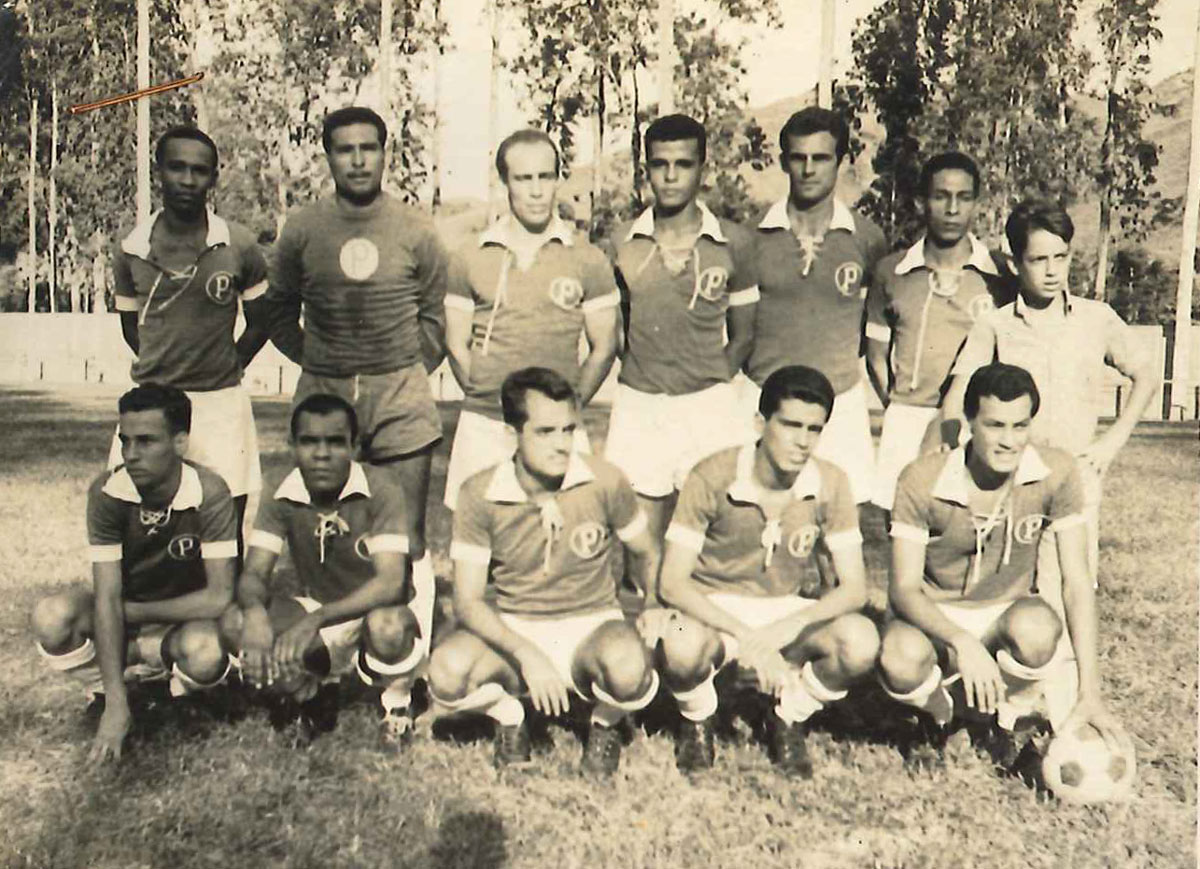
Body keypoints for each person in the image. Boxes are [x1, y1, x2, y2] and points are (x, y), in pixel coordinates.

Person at [879, 363, 1130, 770]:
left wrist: (1091, 692)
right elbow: (903, 589)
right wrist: (961, 641)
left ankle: (1006, 718)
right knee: (899, 657)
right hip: (936, 614)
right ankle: (940, 718)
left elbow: (1077, 583)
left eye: (1020, 426)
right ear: (969, 424)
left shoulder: (1057, 472)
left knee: (1039, 628)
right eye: (995, 426)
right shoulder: (920, 478)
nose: (1009, 441)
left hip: (1004, 612)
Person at [649, 365, 879, 778]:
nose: (802, 441)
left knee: (860, 640)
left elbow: (855, 588)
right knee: (679, 643)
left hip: (780, 608)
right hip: (713, 610)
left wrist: (788, 626)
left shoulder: (831, 481)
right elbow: (672, 581)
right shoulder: (713, 474)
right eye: (790, 425)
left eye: (814, 428)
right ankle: (698, 717)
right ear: (760, 422)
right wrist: (747, 636)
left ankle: (788, 715)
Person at [427, 368, 660, 775]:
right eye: (545, 432)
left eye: (569, 430)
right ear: (510, 435)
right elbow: (466, 600)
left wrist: (654, 604)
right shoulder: (479, 491)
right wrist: (527, 653)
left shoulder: (603, 479)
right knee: (445, 673)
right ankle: (509, 715)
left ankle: (605, 723)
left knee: (631, 668)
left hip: (591, 624)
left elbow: (648, 551)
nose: (562, 445)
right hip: (516, 627)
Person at [264, 106, 448, 575]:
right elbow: (278, 309)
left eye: (369, 148)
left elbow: (436, 314)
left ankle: (407, 645)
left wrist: (403, 365)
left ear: (385, 155)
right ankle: (330, 637)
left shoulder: (416, 227)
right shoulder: (303, 229)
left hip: (400, 395)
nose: (359, 160)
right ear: (328, 157)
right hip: (325, 391)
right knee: (324, 532)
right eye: (345, 150)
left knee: (405, 534)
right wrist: (322, 359)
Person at [936, 199, 1158, 582]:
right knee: (1005, 592)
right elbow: (957, 395)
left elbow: (1148, 374)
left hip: (1075, 476)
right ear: (1015, 263)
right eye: (1039, 260)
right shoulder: (995, 325)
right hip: (1009, 478)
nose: (1053, 271)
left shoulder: (1096, 319)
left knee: (1071, 587)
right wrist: (957, 449)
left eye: (1061, 257)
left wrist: (1111, 443)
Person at [32, 384, 238, 764]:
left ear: (179, 442)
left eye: (146, 441)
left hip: (182, 624)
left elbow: (219, 596)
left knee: (208, 652)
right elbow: (106, 594)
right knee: (52, 617)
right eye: (125, 440)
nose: (131, 454)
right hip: (125, 622)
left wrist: (126, 613)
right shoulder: (108, 492)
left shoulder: (210, 492)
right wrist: (115, 706)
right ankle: (112, 694)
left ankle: (181, 693)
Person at [222, 393, 434, 746]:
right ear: (293, 445)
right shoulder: (281, 488)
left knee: (388, 626)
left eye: (335, 442)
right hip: (324, 608)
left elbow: (391, 584)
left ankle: (398, 703)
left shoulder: (381, 486)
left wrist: (315, 619)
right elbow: (256, 572)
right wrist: (256, 613)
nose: (321, 454)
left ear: (354, 446)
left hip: (377, 611)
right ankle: (309, 696)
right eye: (309, 441)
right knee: (236, 622)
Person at [442, 129, 621, 510]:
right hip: (485, 426)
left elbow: (605, 345)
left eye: (546, 177)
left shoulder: (587, 258)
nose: (537, 190)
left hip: (557, 430)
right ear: (504, 182)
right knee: (482, 544)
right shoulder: (469, 256)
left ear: (558, 178)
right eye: (524, 179)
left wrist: (565, 410)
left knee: (561, 542)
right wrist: (487, 397)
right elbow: (456, 344)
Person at [110, 126, 269, 545]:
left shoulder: (238, 243)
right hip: (152, 401)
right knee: (141, 525)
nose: (187, 179)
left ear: (214, 177)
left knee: (222, 526)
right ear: (158, 170)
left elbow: (261, 320)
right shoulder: (131, 248)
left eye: (199, 171)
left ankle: (222, 603)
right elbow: (131, 325)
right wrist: (162, 364)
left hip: (220, 402)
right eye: (177, 167)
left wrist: (230, 362)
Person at [603, 114, 758, 544]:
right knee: (638, 538)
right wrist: (649, 373)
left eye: (683, 164)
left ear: (702, 169)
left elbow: (744, 334)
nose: (670, 177)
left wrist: (708, 375)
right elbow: (618, 330)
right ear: (646, 169)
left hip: (708, 404)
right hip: (640, 404)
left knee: (714, 534)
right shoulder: (621, 242)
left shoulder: (736, 242)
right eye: (659, 164)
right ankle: (646, 610)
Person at [743, 108, 888, 506]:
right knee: (755, 524)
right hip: (765, 400)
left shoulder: (868, 239)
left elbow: (870, 322)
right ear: (783, 161)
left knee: (838, 538)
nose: (808, 169)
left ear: (841, 162)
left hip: (839, 402)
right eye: (798, 157)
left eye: (821, 158)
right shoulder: (751, 237)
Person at [865, 152, 1008, 512]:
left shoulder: (1000, 276)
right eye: (940, 196)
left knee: (966, 528)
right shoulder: (891, 271)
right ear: (921, 202)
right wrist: (899, 408)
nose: (951, 208)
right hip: (908, 417)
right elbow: (876, 356)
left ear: (976, 203)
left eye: (963, 198)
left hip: (976, 422)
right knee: (900, 529)